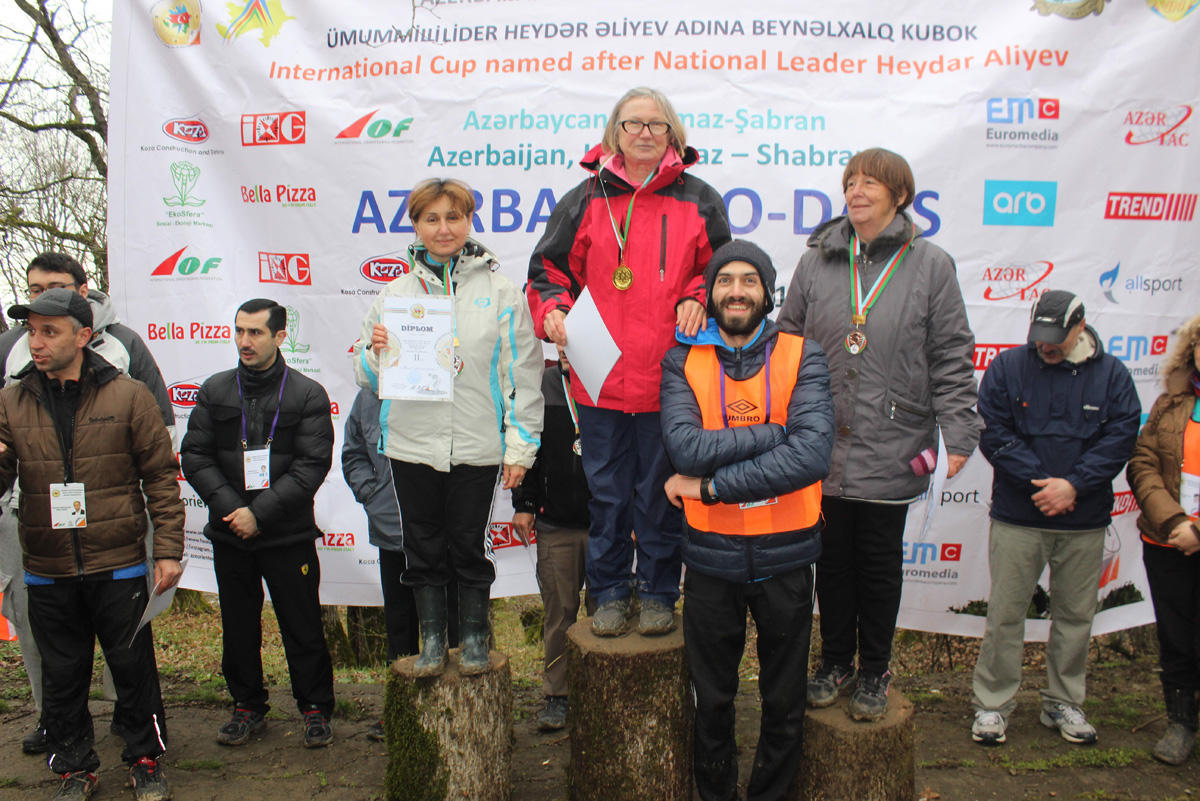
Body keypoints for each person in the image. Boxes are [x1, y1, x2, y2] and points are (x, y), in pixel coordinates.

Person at [776, 147, 981, 721]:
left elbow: (950, 355)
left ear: (899, 195)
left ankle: (874, 670)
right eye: (850, 181)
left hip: (893, 437)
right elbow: (788, 340)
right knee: (830, 560)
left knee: (878, 561)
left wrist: (959, 432)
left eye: (871, 182)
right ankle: (836, 660)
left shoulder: (931, 264)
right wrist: (776, 421)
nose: (857, 190)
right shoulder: (817, 260)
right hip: (821, 438)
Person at [527, 87, 732, 637]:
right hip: (601, 380)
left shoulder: (700, 199)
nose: (644, 133)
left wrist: (697, 295)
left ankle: (661, 592)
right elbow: (548, 270)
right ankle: (612, 592)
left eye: (656, 124)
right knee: (610, 495)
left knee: (662, 493)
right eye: (633, 123)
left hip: (672, 378)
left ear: (673, 134)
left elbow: (720, 272)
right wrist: (552, 309)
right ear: (614, 132)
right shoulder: (584, 198)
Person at [661, 240, 834, 801]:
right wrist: (771, 435)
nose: (736, 291)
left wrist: (710, 485)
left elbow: (809, 458)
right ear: (709, 293)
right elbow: (685, 449)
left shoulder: (803, 355)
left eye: (749, 281)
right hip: (712, 558)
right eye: (725, 280)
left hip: (786, 554)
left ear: (767, 292)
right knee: (712, 700)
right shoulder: (683, 358)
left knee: (784, 700)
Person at [0, 288, 184, 801]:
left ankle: (146, 759)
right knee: (62, 675)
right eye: (31, 330)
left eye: (49, 331)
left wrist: (166, 550)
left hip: (119, 563)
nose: (35, 342)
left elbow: (161, 480)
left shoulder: (128, 396)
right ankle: (74, 767)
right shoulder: (11, 400)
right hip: (47, 566)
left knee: (132, 668)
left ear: (83, 336)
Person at [355, 178, 542, 677]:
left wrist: (520, 448)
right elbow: (366, 377)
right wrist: (375, 352)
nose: (444, 228)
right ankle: (434, 644)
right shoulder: (393, 295)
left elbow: (521, 376)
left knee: (466, 544)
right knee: (421, 547)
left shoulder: (501, 292)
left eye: (453, 217)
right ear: (415, 225)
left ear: (469, 222)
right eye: (432, 218)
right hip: (412, 445)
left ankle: (475, 639)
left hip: (478, 446)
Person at [971, 290, 1140, 746]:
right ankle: (992, 704)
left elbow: (1121, 437)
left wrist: (1074, 485)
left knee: (1075, 616)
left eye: (1056, 338)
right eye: (1039, 336)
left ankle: (1063, 701)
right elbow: (993, 432)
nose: (1046, 345)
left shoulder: (1113, 375)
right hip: (1018, 517)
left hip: (1083, 521)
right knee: (1005, 614)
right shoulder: (1008, 368)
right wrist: (1043, 483)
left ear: (1079, 327)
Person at [180, 298, 336, 748]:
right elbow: (195, 455)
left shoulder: (306, 394)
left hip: (288, 535)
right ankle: (247, 706)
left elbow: (310, 466)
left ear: (280, 337)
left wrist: (259, 513)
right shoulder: (214, 390)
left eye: (256, 333)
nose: (244, 341)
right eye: (239, 331)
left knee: (302, 625)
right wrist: (235, 511)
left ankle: (315, 710)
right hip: (230, 534)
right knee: (238, 627)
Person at [341, 386, 459, 740]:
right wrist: (372, 495)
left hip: (442, 536)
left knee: (450, 624)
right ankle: (401, 710)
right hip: (392, 531)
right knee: (400, 627)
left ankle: (452, 708)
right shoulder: (367, 396)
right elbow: (354, 452)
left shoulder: (443, 385)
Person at [1126, 313, 1200, 765]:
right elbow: (1143, 463)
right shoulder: (1170, 402)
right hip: (1169, 540)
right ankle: (1180, 723)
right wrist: (1174, 522)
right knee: (1175, 635)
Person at [511, 348, 594, 731]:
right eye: (559, 341)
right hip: (555, 525)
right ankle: (557, 696)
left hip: (605, 527)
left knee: (605, 614)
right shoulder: (541, 385)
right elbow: (529, 448)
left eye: (574, 342)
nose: (564, 349)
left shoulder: (608, 382)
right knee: (560, 616)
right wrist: (525, 503)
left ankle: (598, 691)